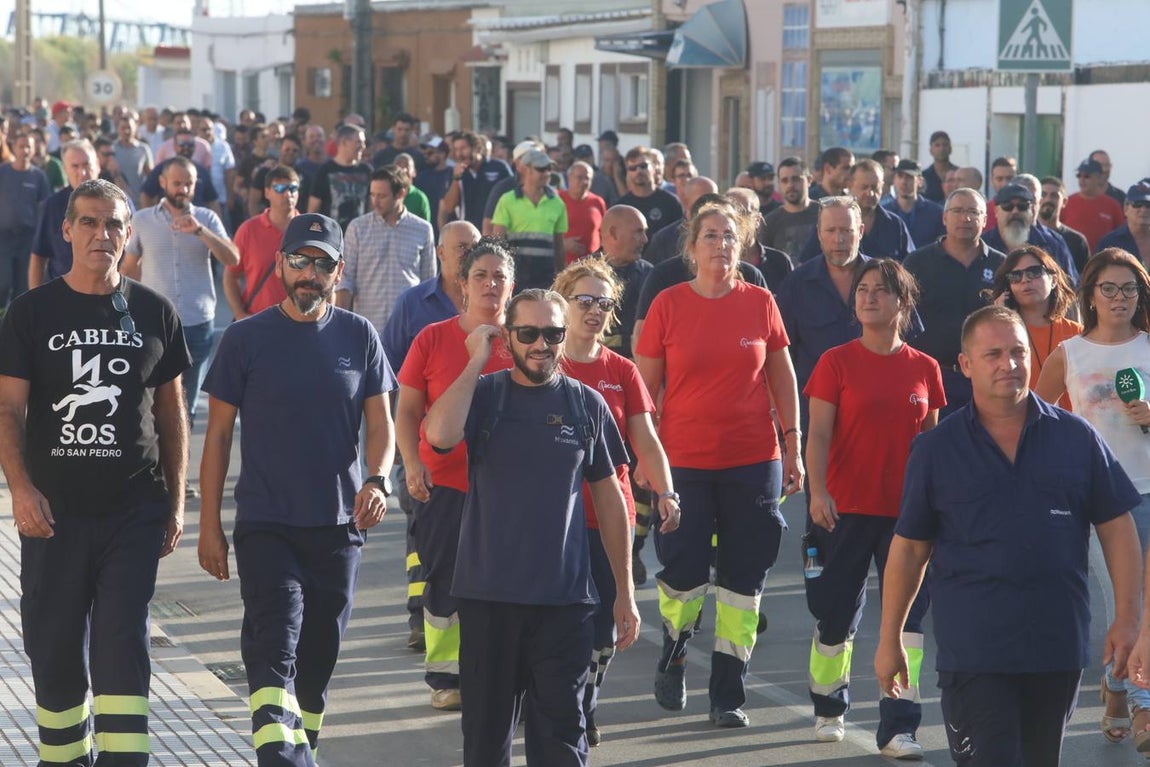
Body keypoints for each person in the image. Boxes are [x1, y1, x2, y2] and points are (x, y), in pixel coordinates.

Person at [877, 304, 1143, 766]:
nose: (1009, 364)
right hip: (974, 652)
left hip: (1055, 648)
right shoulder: (936, 449)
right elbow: (910, 547)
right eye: (994, 354)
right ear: (965, 364)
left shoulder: (1076, 438)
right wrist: (889, 637)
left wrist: (1127, 619)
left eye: (1018, 352)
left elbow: (1118, 528)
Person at [0, 178, 190, 766]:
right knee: (54, 650)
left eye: (113, 224)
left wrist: (177, 502)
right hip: (53, 516)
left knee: (120, 644)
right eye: (88, 222)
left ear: (128, 233)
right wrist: (22, 490)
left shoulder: (154, 311)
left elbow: (171, 413)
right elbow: (8, 409)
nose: (100, 234)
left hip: (133, 512)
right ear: (66, 229)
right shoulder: (32, 312)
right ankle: (63, 758)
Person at [198, 212, 396, 767]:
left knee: (317, 660)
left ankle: (302, 747)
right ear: (281, 263)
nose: (310, 273)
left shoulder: (359, 336)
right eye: (300, 261)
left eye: (323, 264)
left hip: (338, 528)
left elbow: (381, 425)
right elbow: (216, 438)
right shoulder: (245, 339)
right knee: (275, 644)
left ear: (338, 272)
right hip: (266, 525)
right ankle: (281, 759)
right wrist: (208, 526)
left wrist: (378, 478)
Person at [423, 288, 639, 766]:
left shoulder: (586, 405)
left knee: (562, 741)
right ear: (508, 338)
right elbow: (438, 434)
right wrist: (475, 362)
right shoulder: (485, 395)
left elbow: (610, 500)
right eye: (528, 333)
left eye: (553, 334)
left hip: (564, 605)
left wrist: (624, 591)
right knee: (485, 741)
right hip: (488, 601)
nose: (542, 344)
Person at [636, 201, 802, 727]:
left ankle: (728, 693)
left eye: (730, 236)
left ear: (743, 242)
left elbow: (783, 378)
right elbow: (643, 392)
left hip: (753, 459)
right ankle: (676, 650)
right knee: (683, 571)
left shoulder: (760, 302)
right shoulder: (667, 304)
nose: (721, 245)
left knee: (743, 579)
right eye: (710, 236)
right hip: (682, 461)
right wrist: (644, 456)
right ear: (692, 247)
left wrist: (793, 446)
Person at [803, 258, 942, 758]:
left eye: (880, 291)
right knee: (835, 616)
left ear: (902, 303)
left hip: (907, 518)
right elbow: (817, 435)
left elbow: (931, 449)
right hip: (842, 510)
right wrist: (817, 492)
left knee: (907, 622)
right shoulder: (835, 362)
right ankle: (828, 707)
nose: (867, 297)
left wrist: (936, 509)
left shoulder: (925, 369)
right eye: (862, 289)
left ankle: (899, 725)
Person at [549, 258, 677, 745]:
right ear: (563, 302)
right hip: (552, 521)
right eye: (584, 300)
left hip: (609, 518)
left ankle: (586, 700)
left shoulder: (621, 370)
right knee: (558, 624)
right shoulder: (543, 361)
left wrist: (666, 491)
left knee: (606, 628)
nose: (594, 311)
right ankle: (560, 702)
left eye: (604, 303)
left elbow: (646, 440)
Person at [1034, 248, 1150, 753]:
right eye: (1110, 289)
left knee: (1145, 604)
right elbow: (1038, 419)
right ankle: (1125, 691)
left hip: (1149, 489)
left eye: (1130, 289)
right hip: (1098, 500)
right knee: (1123, 599)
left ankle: (1131, 693)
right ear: (1091, 295)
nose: (1120, 298)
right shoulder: (1071, 354)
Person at [396, 239, 516, 711]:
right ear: (462, 285)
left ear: (512, 286)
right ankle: (447, 677)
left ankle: (496, 671)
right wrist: (410, 461)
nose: (490, 284)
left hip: (509, 491)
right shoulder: (432, 338)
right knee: (445, 579)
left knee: (504, 581)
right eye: (481, 276)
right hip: (444, 484)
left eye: (499, 277)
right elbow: (406, 411)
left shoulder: (528, 342)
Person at [122, 156, 239, 428]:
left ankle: (179, 466)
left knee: (186, 405)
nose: (183, 189)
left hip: (197, 322)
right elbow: (128, 268)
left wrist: (200, 232)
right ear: (163, 183)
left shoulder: (207, 218)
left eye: (189, 184)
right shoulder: (142, 220)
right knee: (151, 401)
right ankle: (156, 463)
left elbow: (233, 258)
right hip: (153, 324)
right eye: (177, 183)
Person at [903, 187, 1005, 414]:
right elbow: (901, 320)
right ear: (944, 217)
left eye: (973, 212)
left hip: (986, 378)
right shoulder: (918, 263)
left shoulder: (1001, 266)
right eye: (957, 211)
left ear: (985, 219)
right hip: (931, 377)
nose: (965, 218)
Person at [336, 165, 437, 334]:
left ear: (401, 194)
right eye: (373, 195)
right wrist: (340, 323)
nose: (375, 201)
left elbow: (429, 283)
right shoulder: (358, 228)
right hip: (367, 326)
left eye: (382, 196)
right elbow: (345, 279)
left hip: (408, 328)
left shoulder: (423, 229)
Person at [986, 245, 1080, 407]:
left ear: (1053, 280)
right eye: (1015, 276)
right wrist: (1000, 320)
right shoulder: (1003, 334)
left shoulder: (1077, 333)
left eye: (1034, 272)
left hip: (1071, 426)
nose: (1025, 280)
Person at [798, 159, 914, 263]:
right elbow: (807, 263)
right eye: (864, 187)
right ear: (850, 185)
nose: (870, 193)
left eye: (875, 188)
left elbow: (910, 264)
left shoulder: (895, 225)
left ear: (882, 186)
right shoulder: (831, 221)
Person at [224, 165, 298, 320]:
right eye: (279, 188)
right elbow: (231, 276)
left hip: (299, 323)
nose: (288, 194)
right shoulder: (248, 230)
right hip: (257, 320)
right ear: (267, 193)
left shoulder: (307, 229)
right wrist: (239, 314)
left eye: (292, 188)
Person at [491, 149, 568, 291]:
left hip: (546, 278)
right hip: (515, 276)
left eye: (549, 169)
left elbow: (559, 245)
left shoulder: (557, 203)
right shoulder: (507, 200)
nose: (546, 173)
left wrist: (561, 275)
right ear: (526, 170)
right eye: (541, 169)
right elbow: (498, 241)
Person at [29, 140, 99, 289]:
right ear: (65, 170)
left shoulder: (118, 204)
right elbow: (39, 255)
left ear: (97, 165)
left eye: (87, 164)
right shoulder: (53, 206)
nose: (82, 172)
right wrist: (33, 303)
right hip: (62, 295)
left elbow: (131, 258)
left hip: (106, 294)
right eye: (75, 166)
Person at [982, 182, 1078, 283]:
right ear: (996, 211)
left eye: (1022, 206)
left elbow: (1071, 285)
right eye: (1007, 206)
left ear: (1032, 210)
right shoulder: (982, 245)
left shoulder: (1052, 244)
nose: (1015, 211)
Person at [0, 132, 51, 306]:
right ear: (14, 148)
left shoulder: (38, 176)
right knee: (3, 283)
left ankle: (17, 323)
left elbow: (44, 206)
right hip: (4, 238)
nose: (25, 150)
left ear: (34, 149)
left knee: (23, 286)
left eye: (28, 146)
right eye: (21, 146)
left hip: (28, 238)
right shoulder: (3, 172)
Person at [438, 130, 511, 232]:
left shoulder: (499, 167)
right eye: (456, 149)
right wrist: (456, 179)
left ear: (476, 148)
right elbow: (449, 207)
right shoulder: (455, 172)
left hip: (495, 231)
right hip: (468, 232)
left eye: (463, 148)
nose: (459, 154)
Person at [307, 124, 372, 231]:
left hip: (361, 236)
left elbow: (372, 206)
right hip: (332, 237)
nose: (363, 146)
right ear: (344, 142)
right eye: (359, 142)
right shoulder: (325, 171)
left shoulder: (367, 171)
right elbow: (313, 209)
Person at [760, 156, 819, 262]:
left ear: (809, 180)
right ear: (779, 183)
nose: (790, 185)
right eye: (784, 180)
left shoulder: (824, 214)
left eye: (796, 179)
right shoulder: (769, 222)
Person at [617, 146, 682, 239]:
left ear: (654, 168)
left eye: (643, 166)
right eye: (633, 168)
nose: (638, 171)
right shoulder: (622, 206)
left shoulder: (671, 202)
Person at [1064, 158, 1126, 252]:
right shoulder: (1067, 202)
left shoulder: (1112, 205)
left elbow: (1122, 234)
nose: (1082, 180)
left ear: (1099, 178)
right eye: (1079, 175)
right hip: (1072, 258)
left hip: (1102, 260)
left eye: (1087, 176)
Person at [883, 159, 945, 247]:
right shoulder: (885, 212)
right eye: (900, 176)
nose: (904, 182)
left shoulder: (935, 213)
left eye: (909, 177)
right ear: (894, 180)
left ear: (920, 181)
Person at [1039, 176, 1091, 274]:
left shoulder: (1077, 240)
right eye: (1043, 194)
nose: (1048, 200)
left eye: (1054, 196)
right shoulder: (1026, 235)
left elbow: (1084, 280)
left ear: (1064, 202)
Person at [561, 161, 607, 265]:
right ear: (569, 178)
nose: (584, 182)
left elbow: (605, 233)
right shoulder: (558, 200)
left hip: (591, 266)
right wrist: (563, 244)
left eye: (587, 178)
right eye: (579, 177)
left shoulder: (597, 202)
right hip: (563, 266)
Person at [1097, 181, 1150, 261]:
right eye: (1137, 204)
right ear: (1126, 209)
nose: (1143, 209)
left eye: (1148, 205)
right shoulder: (1110, 243)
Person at [921, 130, 957, 203]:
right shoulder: (923, 176)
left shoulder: (958, 174)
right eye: (937, 145)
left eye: (945, 145)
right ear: (931, 150)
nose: (941, 149)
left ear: (950, 149)